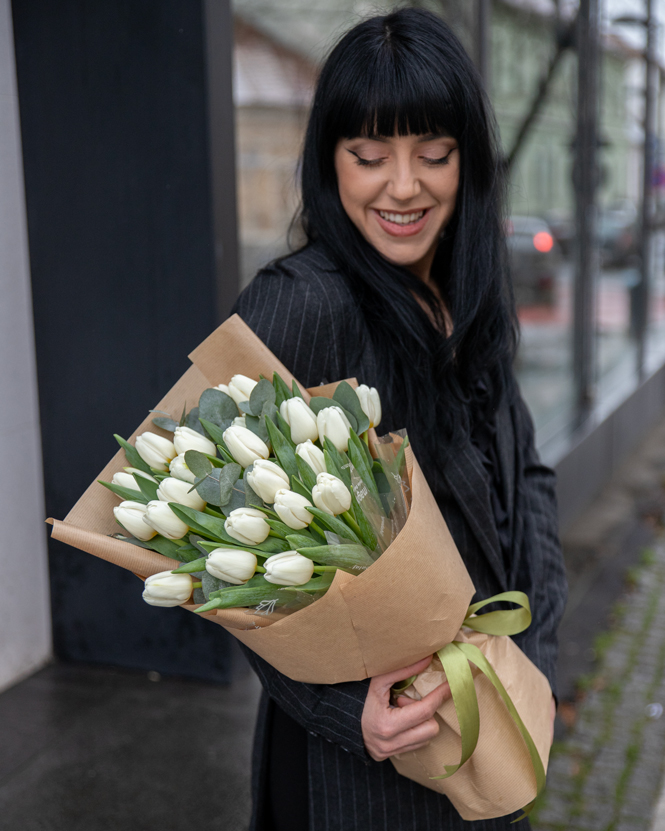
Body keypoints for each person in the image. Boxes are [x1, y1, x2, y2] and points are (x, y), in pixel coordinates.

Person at [231, 8, 568, 831]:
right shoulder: (303, 305)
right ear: (330, 162)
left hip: (485, 703)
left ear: (468, 161)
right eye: (369, 156)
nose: (405, 186)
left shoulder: (468, 282)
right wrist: (351, 713)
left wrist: (536, 650)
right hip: (366, 762)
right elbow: (230, 563)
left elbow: (522, 472)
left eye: (434, 154)